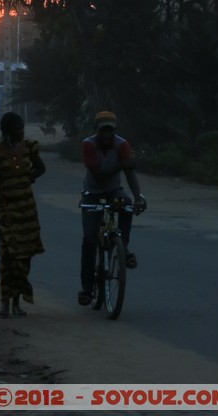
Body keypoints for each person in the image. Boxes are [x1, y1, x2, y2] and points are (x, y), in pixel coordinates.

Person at [78, 110, 147, 306]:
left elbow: (130, 173)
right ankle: (87, 288)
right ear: (96, 130)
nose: (107, 135)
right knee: (90, 238)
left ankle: (123, 247)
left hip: (114, 191)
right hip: (92, 193)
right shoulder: (88, 145)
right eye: (103, 130)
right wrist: (121, 165)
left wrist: (138, 197)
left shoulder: (122, 144)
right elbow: (99, 175)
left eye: (110, 130)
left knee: (126, 206)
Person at [0, 111, 46, 318]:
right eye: (17, 130)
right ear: (6, 132)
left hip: (27, 210)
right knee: (8, 257)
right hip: (5, 210)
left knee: (24, 258)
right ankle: (4, 303)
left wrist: (28, 179)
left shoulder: (30, 147)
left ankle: (17, 302)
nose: (21, 133)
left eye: (22, 129)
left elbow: (41, 168)